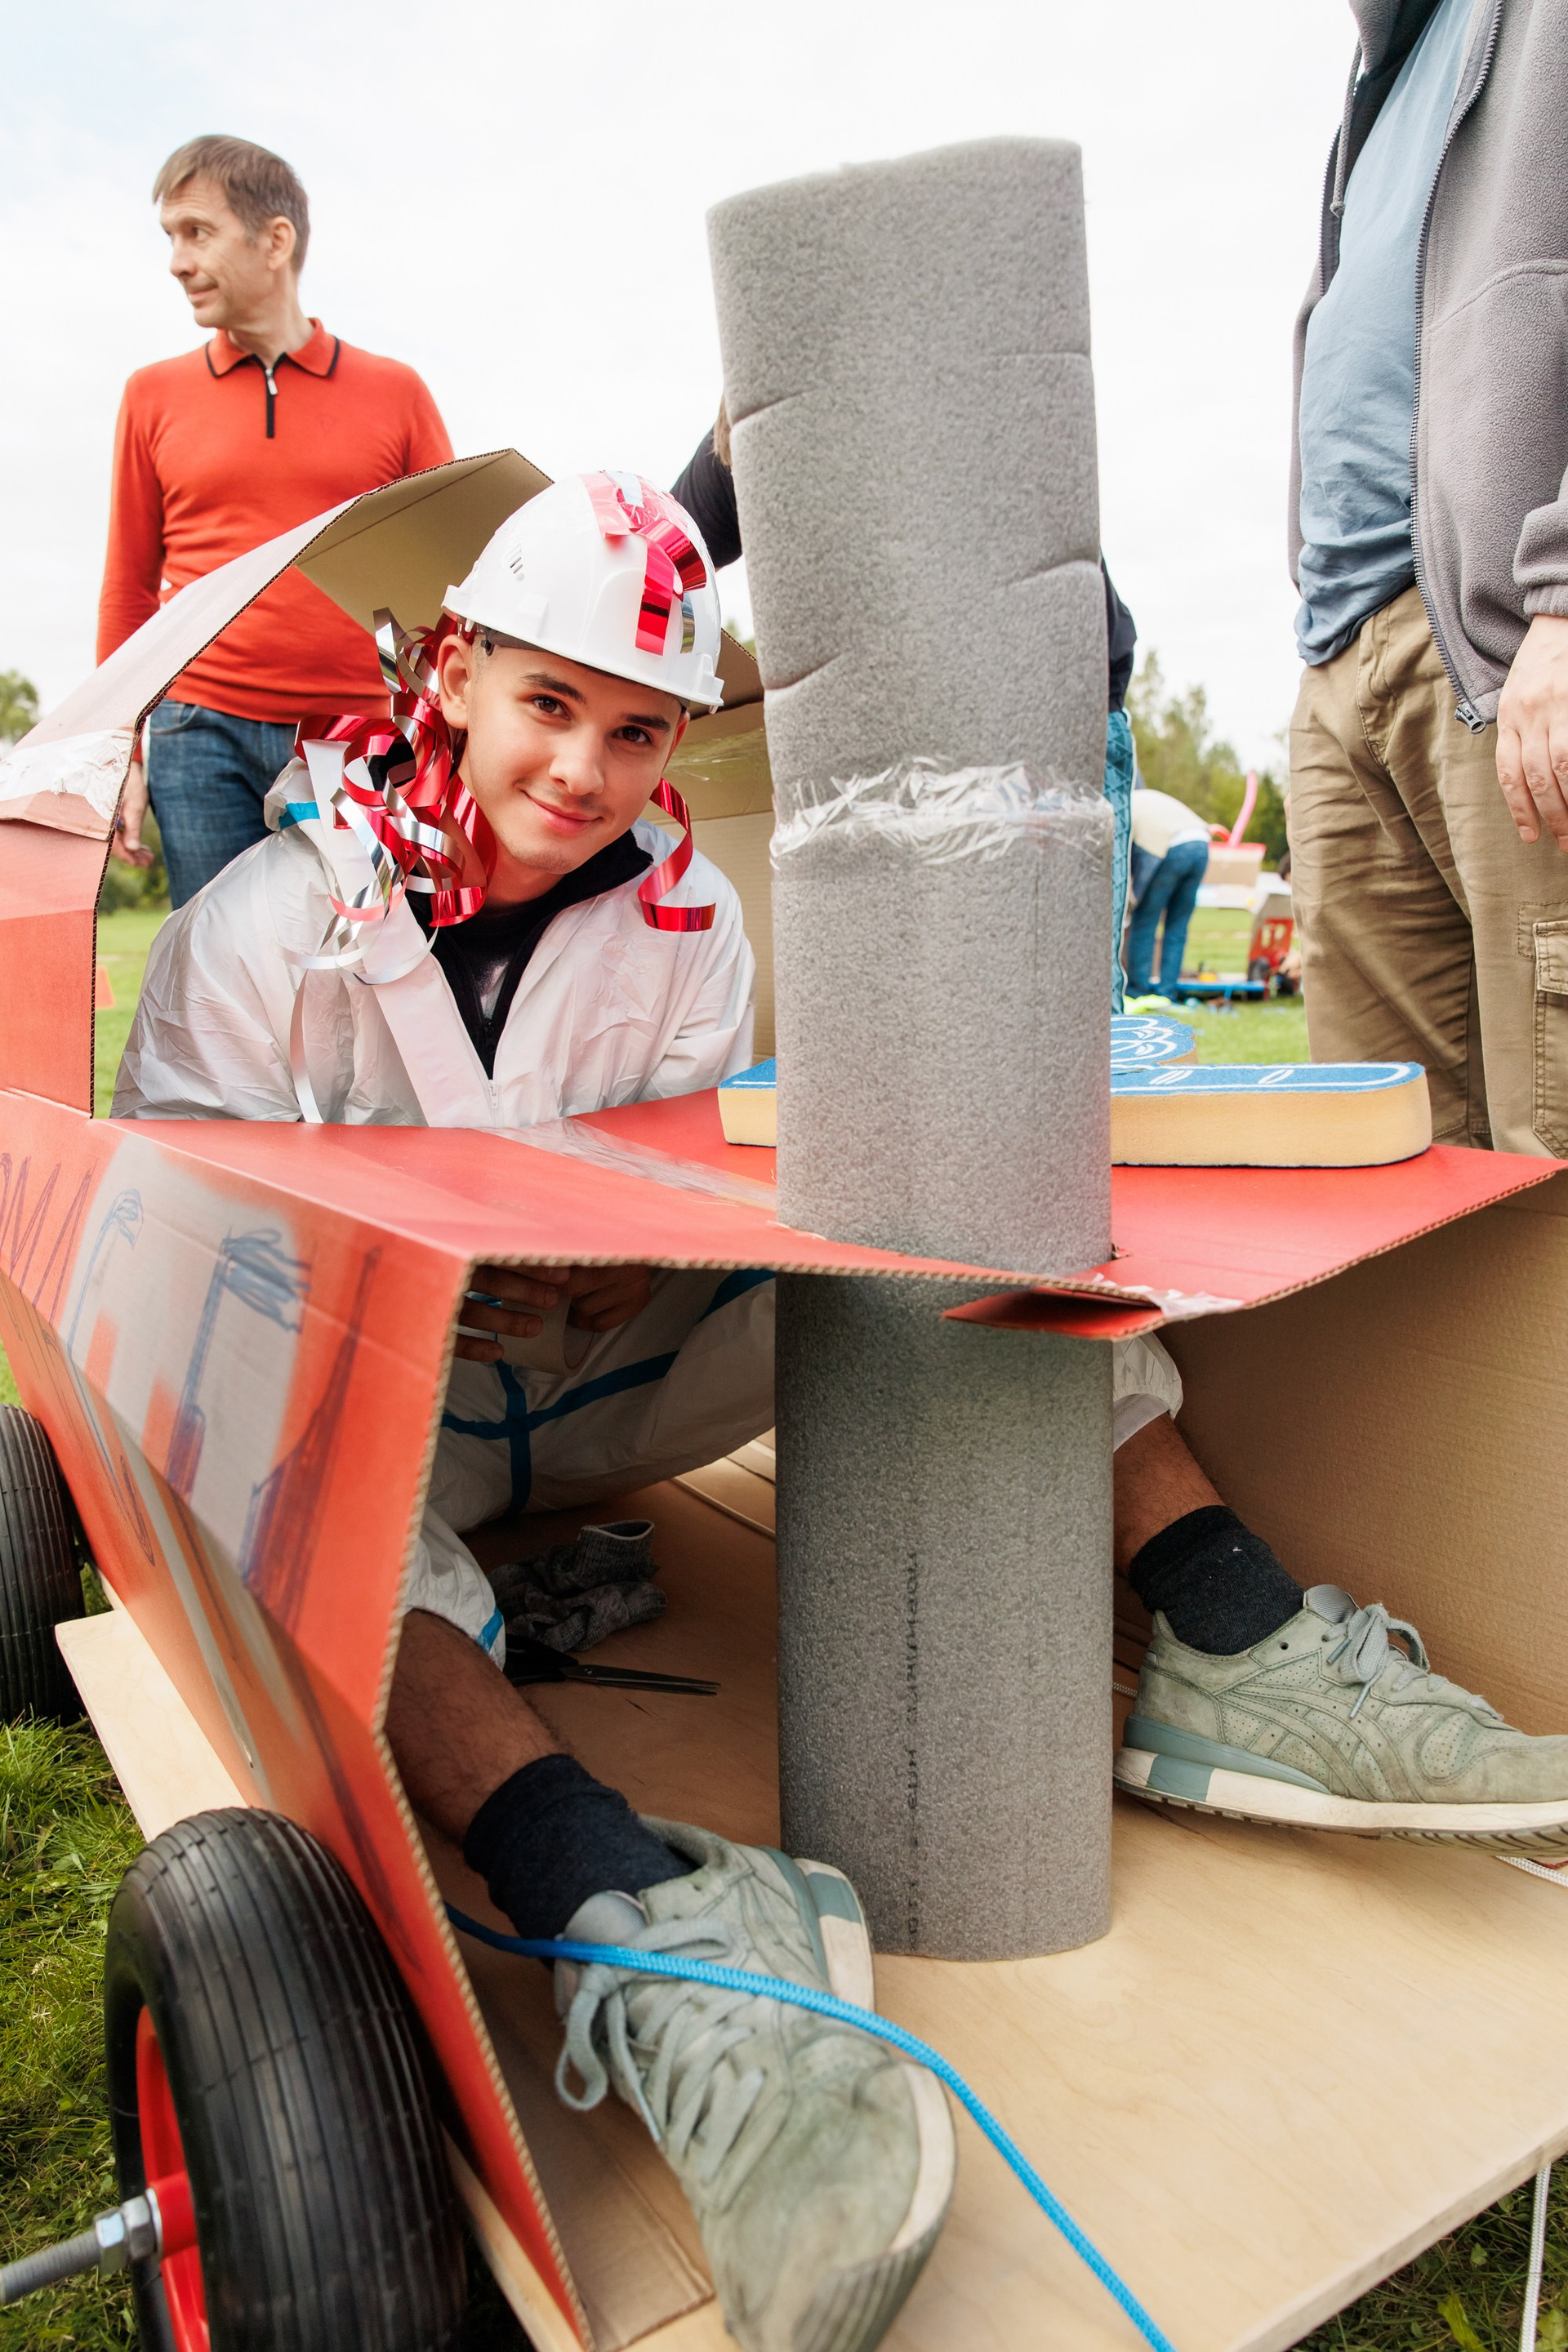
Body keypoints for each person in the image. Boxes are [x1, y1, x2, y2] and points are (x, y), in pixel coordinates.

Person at [114, 474, 1568, 2350]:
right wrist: (409, 1286)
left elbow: (703, 1181)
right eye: (549, 703)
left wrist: (636, 1256)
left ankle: (1232, 1634)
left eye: (638, 730)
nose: (585, 768)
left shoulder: (689, 922)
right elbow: (184, 1253)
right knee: (268, 1464)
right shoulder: (258, 925)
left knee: (921, 1224)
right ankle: (642, 1909)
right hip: (397, 1416)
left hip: (615, 1388)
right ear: (455, 673)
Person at [1288, 0, 1568, 1155]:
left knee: (1551, 1146)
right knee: (1382, 1165)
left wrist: (1564, 595)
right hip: (1343, 650)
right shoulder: (1382, 73)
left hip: (1512, 639)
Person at [672, 411, 1143, 1009]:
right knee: (894, 1004)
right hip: (884, 741)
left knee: (1056, 1001)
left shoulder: (948, 402)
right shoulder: (754, 426)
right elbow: (660, 562)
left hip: (1045, 713)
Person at [97, 135, 452, 908]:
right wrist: (119, 757)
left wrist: (447, 740)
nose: (177, 261)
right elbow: (127, 591)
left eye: (197, 233)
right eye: (170, 237)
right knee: (213, 968)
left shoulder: (397, 394)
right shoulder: (151, 395)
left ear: (275, 240)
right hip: (200, 734)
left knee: (361, 964)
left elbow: (447, 582)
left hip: (355, 738)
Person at [1125, 783, 1211, 998]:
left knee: (1145, 922)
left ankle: (1138, 991)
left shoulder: (1125, 805)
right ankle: (1167, 992)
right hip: (1202, 844)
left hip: (1172, 847)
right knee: (1177, 925)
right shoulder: (1149, 798)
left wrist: (1132, 900)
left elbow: (1132, 861)